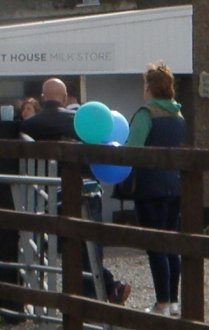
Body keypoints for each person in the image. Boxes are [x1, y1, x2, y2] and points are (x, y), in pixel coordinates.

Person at [22, 78, 131, 305]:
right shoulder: (80, 122)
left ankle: (96, 293)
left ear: (43, 98)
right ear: (64, 99)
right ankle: (101, 292)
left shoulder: (30, 124)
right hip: (88, 187)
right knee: (90, 243)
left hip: (52, 191)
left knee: (64, 246)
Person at [125, 63, 186, 316]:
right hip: (174, 184)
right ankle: (172, 300)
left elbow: (133, 149)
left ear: (149, 86)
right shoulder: (179, 115)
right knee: (171, 241)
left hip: (149, 186)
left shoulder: (146, 113)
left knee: (155, 243)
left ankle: (161, 302)